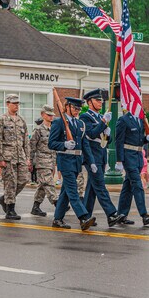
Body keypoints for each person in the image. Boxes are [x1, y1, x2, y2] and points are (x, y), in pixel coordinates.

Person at [48, 97, 97, 231]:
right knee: (73, 191)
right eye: (75, 108)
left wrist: (91, 161)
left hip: (76, 162)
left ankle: (57, 219)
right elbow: (51, 143)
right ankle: (83, 217)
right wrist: (63, 144)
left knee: (65, 192)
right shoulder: (59, 122)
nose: (77, 111)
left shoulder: (80, 124)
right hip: (65, 161)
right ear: (67, 107)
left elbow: (85, 145)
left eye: (79, 109)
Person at [81, 89, 124, 227]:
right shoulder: (85, 117)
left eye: (101, 100)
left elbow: (105, 141)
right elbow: (92, 134)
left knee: (92, 188)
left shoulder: (100, 118)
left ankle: (85, 216)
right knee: (100, 186)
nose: (100, 102)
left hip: (100, 156)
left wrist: (107, 133)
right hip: (91, 157)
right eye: (97, 100)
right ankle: (111, 214)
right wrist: (104, 122)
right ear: (89, 102)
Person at [115, 111, 149, 226]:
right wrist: (119, 160)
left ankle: (121, 215)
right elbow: (119, 141)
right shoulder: (123, 120)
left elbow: (139, 140)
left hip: (138, 157)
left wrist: (147, 138)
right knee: (137, 185)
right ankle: (144, 215)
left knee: (127, 187)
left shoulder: (140, 120)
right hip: (128, 157)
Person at [0, 94, 31, 220]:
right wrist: (0, 158)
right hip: (8, 156)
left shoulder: (21, 120)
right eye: (13, 103)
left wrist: (27, 157)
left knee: (24, 179)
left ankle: (4, 199)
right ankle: (10, 209)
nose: (16, 105)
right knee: (10, 183)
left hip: (20, 156)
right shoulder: (2, 119)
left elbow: (26, 140)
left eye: (17, 103)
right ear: (7, 104)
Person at [29, 105, 58, 216]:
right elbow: (31, 147)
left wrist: (55, 163)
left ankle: (35, 207)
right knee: (49, 183)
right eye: (48, 115)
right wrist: (30, 162)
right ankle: (57, 203)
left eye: (52, 115)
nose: (51, 117)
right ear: (42, 115)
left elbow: (54, 148)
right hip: (41, 161)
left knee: (42, 185)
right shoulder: (38, 129)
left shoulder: (54, 129)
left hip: (50, 160)